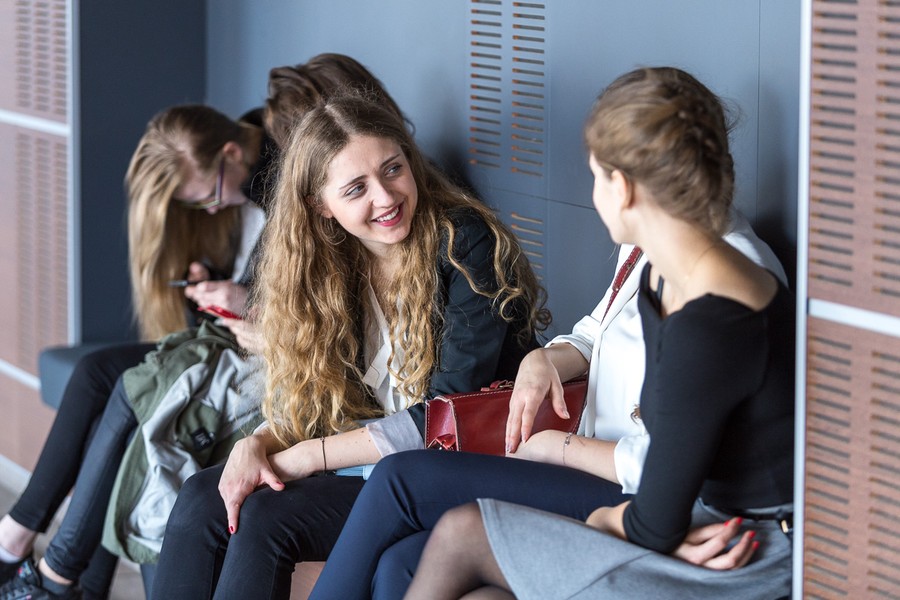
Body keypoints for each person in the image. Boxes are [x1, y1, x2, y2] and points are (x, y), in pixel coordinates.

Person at [308, 67, 793, 600]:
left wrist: (572, 470)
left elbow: (658, 515)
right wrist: (548, 359)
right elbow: (605, 342)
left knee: (454, 530)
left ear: (622, 187)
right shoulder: (663, 265)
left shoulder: (712, 310)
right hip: (673, 509)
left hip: (728, 540)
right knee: (419, 564)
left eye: (595, 175)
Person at [0, 53, 398, 600]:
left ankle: (52, 574)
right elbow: (287, 295)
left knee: (141, 402)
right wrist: (223, 293)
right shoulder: (270, 190)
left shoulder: (304, 195)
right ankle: (42, 562)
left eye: (209, 195)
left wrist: (247, 306)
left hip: (269, 356)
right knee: (108, 380)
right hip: (248, 343)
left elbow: (309, 324)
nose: (212, 210)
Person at [149, 91, 549, 600]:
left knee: (268, 515)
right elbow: (315, 395)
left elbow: (443, 417)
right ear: (321, 205)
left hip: (454, 468)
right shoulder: (330, 264)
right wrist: (260, 443)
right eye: (356, 188)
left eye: (393, 169)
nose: (385, 197)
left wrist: (306, 456)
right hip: (376, 463)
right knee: (202, 495)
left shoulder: (464, 243)